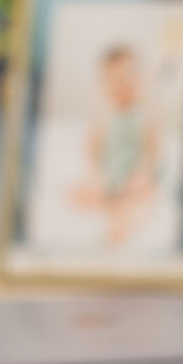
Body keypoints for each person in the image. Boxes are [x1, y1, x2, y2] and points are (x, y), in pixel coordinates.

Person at [71, 45, 159, 245]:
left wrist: (142, 174)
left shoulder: (145, 116)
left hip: (134, 176)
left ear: (140, 80)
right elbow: (91, 150)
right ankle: (110, 202)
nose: (123, 85)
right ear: (104, 85)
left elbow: (153, 153)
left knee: (143, 196)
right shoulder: (103, 117)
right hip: (109, 175)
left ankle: (120, 223)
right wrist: (95, 176)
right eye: (116, 80)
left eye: (129, 78)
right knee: (76, 193)